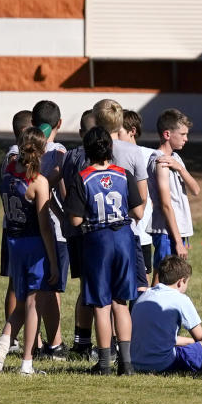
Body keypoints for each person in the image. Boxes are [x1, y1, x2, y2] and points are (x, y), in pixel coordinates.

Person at [63, 126, 143, 375]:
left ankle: (105, 363)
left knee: (101, 304)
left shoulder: (82, 177)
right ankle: (127, 363)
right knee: (121, 302)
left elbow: (75, 220)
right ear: (111, 148)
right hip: (124, 239)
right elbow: (138, 211)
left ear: (87, 150)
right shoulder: (123, 173)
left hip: (98, 240)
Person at [0, 126, 59, 375]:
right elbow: (45, 227)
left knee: (20, 304)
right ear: (42, 151)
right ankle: (27, 363)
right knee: (32, 305)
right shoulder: (38, 182)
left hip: (13, 242)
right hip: (34, 244)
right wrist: (54, 261)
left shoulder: (7, 175)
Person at [92, 100, 149, 294]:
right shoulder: (133, 151)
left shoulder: (88, 151)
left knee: (100, 293)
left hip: (96, 230)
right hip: (127, 231)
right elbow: (141, 199)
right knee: (133, 290)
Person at [129, 256, 202, 374]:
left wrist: (191, 342)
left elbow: (159, 337)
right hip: (165, 364)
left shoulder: (144, 296)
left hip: (136, 363)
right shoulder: (180, 299)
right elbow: (200, 338)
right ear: (181, 282)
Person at [30, 99, 69, 360]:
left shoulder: (21, 150)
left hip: (27, 228)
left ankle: (35, 341)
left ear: (33, 124)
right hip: (54, 228)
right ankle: (55, 344)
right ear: (59, 124)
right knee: (51, 286)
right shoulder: (59, 152)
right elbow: (64, 192)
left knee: (32, 287)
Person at [61, 109, 98, 357]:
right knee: (100, 289)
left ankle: (81, 342)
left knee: (87, 287)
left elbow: (65, 190)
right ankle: (108, 345)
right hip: (93, 229)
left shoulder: (69, 157)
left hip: (74, 230)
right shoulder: (93, 157)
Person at [147, 108, 200, 284]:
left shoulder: (175, 159)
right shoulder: (160, 161)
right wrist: (178, 241)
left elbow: (196, 190)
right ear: (168, 134)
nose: (186, 139)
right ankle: (151, 309)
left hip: (177, 230)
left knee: (174, 275)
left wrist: (180, 168)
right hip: (166, 230)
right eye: (183, 134)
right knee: (161, 274)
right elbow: (165, 204)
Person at [0, 109, 33, 352]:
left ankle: (22, 336)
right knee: (16, 283)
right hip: (17, 228)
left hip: (17, 227)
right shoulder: (15, 156)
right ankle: (11, 338)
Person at [122, 109, 155, 285]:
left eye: (118, 132)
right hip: (119, 229)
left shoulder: (148, 155)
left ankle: (138, 312)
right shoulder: (112, 152)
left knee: (142, 280)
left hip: (140, 230)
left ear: (132, 131)